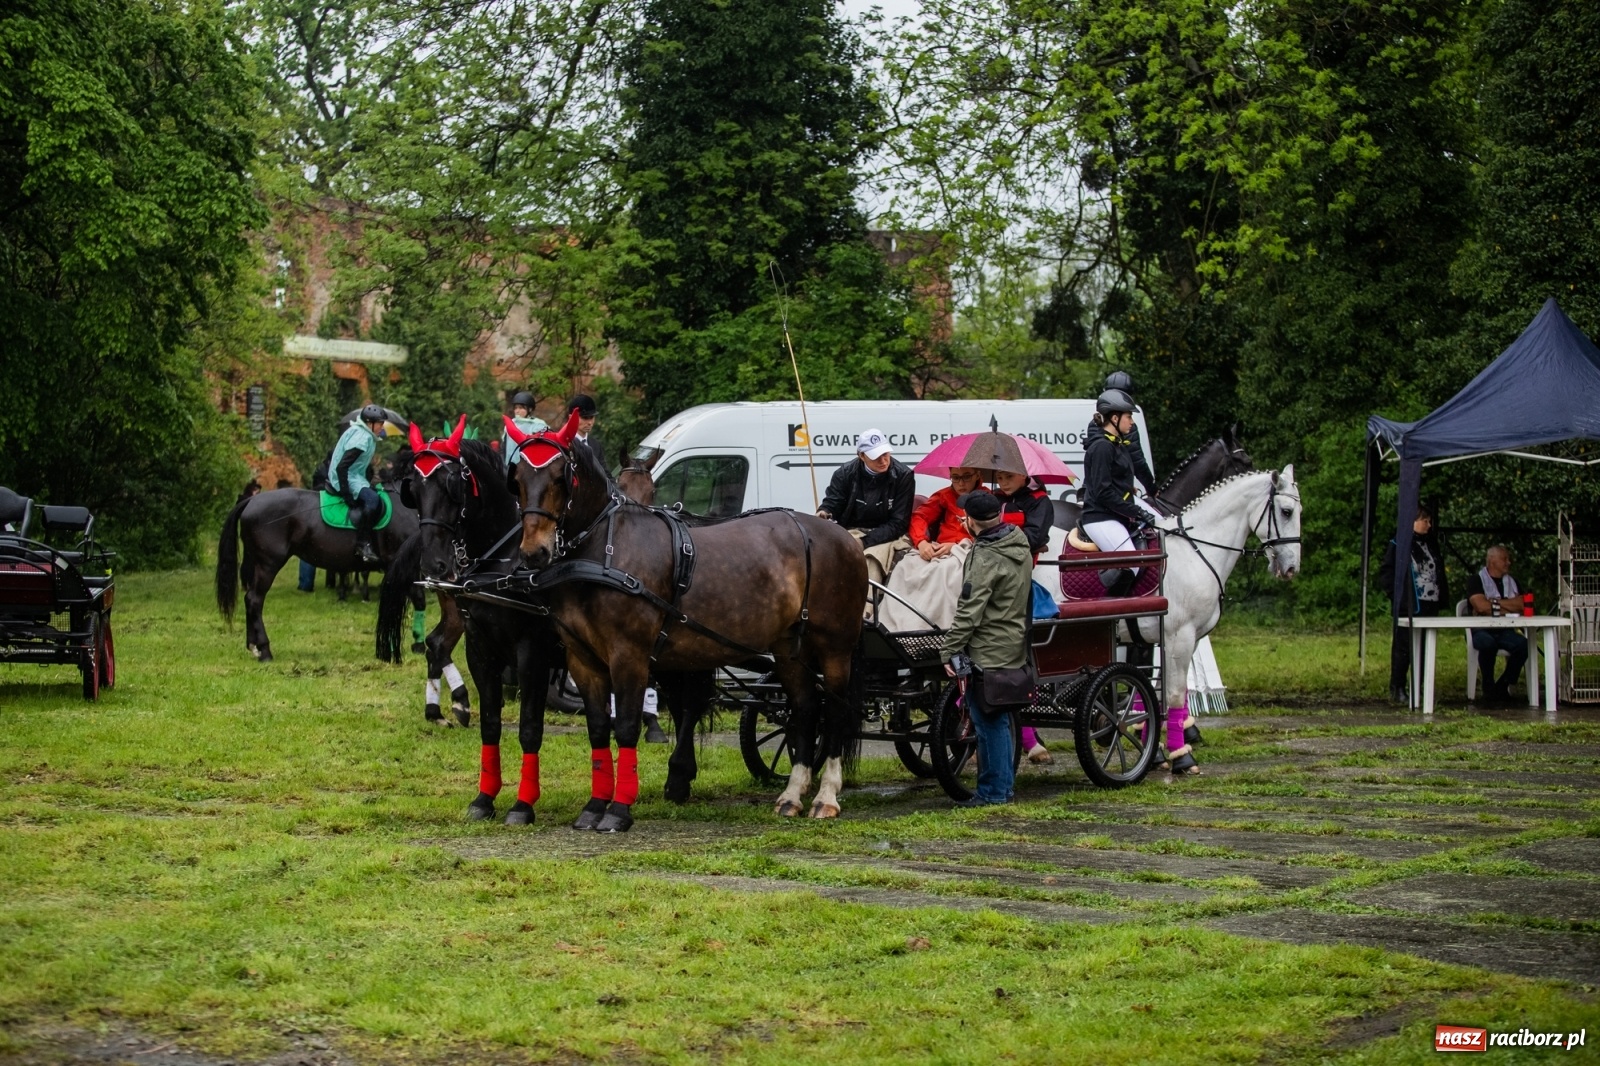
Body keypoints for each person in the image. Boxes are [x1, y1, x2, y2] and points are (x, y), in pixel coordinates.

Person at [939, 492, 1033, 807]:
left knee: (987, 722)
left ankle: (992, 793)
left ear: (971, 521)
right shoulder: (1017, 542)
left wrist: (947, 650)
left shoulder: (985, 555)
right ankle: (1003, 789)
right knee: (1001, 720)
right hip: (1012, 643)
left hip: (987, 648)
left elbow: (969, 611)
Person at [877, 468, 987, 632]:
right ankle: (896, 627)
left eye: (966, 476)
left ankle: (938, 628)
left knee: (945, 571)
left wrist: (957, 545)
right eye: (955, 478)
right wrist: (922, 542)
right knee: (905, 566)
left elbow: (990, 531)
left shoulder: (987, 498)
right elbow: (919, 517)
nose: (961, 483)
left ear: (978, 475)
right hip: (940, 548)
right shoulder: (944, 495)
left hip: (969, 549)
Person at [1080, 389, 1161, 595]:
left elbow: (1116, 480)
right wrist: (1135, 511)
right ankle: (1108, 614)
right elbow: (1102, 492)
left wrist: (1128, 490)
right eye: (1129, 416)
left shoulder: (1116, 444)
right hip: (1099, 517)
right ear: (1115, 418)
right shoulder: (1102, 448)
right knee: (1131, 563)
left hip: (1114, 513)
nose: (1132, 422)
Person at [818, 428, 915, 586]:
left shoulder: (904, 475)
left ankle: (867, 609)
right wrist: (823, 512)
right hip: (849, 531)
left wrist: (864, 542)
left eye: (885, 454)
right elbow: (833, 502)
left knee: (870, 559)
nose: (883, 461)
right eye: (876, 456)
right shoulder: (843, 474)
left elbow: (899, 523)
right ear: (861, 455)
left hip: (889, 536)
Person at [1377, 504, 1449, 703]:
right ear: (1413, 522)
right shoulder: (1398, 543)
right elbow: (1387, 572)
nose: (1429, 524)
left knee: (1426, 645)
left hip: (1430, 602)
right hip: (1408, 604)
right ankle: (1398, 686)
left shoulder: (1430, 543)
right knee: (1404, 647)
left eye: (1429, 520)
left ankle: (1421, 686)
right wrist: (1396, 596)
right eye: (1424, 520)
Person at [1465, 545, 1529, 703]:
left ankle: (1502, 686)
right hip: (1482, 629)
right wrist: (1508, 605)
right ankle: (1488, 686)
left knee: (1524, 645)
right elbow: (1480, 606)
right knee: (1487, 644)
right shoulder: (1476, 580)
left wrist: (1493, 604)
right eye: (1504, 559)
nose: (1508, 562)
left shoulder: (1512, 581)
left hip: (1504, 629)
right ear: (1492, 561)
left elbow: (1522, 604)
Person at [328, 404, 387, 564]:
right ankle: (362, 544)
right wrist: (346, 493)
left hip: (356, 476)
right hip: (346, 477)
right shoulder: (362, 437)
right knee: (373, 501)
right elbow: (342, 467)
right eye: (380, 423)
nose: (382, 427)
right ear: (369, 423)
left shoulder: (365, 434)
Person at [1103, 370, 1159, 496]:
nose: (1131, 421)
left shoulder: (1097, 421)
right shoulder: (1124, 425)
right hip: (1113, 494)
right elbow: (1137, 461)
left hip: (1095, 491)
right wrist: (1152, 489)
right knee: (1149, 515)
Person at [501, 391, 549, 472]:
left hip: (531, 467)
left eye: (521, 408)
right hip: (510, 467)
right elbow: (503, 448)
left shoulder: (538, 425)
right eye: (515, 408)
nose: (517, 411)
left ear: (529, 409)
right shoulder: (510, 425)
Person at [565, 395, 605, 471]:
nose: (590, 422)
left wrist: (613, 483)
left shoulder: (596, 445)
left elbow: (605, 473)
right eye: (585, 418)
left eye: (592, 417)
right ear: (571, 417)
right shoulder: (563, 444)